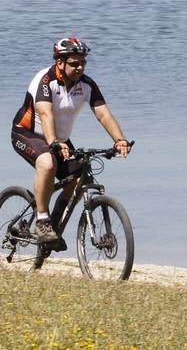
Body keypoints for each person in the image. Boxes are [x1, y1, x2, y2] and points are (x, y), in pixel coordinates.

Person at [11, 36, 131, 247]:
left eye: (83, 62)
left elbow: (103, 114)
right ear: (60, 62)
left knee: (77, 177)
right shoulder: (45, 80)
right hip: (28, 134)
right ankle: (41, 220)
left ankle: (54, 228)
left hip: (60, 140)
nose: (80, 67)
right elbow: (45, 115)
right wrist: (55, 143)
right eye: (74, 63)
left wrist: (119, 140)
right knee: (47, 163)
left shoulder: (86, 85)